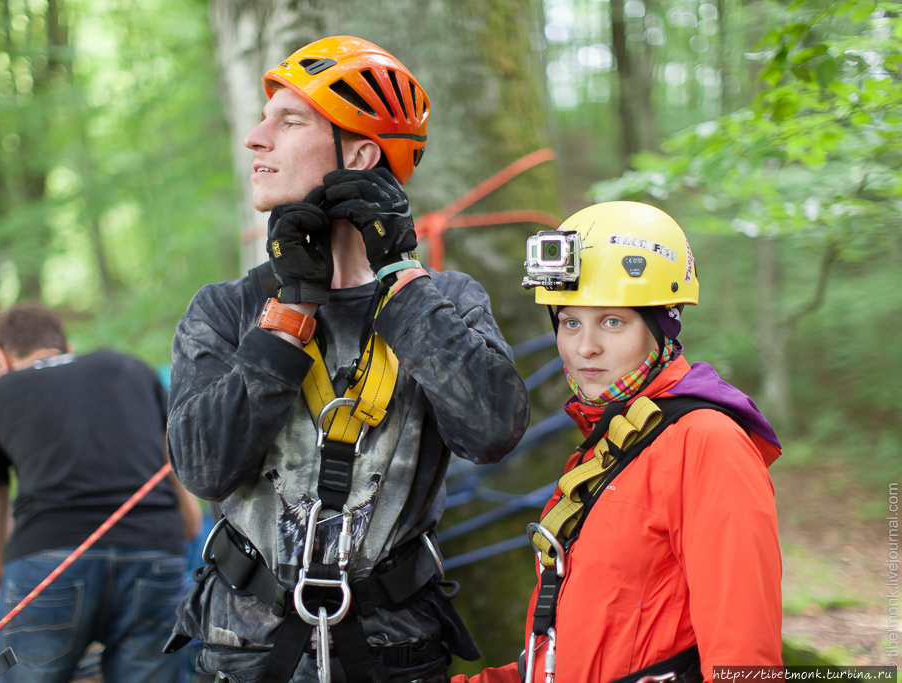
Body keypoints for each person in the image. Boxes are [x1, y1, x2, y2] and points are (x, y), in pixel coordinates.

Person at [165, 36, 530, 683]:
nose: (256, 138)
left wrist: (398, 276)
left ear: (362, 153)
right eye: (264, 117)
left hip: (396, 652)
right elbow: (202, 464)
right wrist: (288, 316)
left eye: (290, 121)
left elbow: (493, 429)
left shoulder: (445, 300)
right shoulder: (227, 308)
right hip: (246, 653)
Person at [452, 202, 783, 683]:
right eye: (570, 322)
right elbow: (574, 655)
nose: (585, 347)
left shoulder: (706, 443)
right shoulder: (613, 444)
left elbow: (744, 658)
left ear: (661, 326)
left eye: (612, 321)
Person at [0, 300, 203, 683]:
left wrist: (11, 594)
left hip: (48, 564)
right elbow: (182, 498)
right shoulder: (132, 369)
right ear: (67, 347)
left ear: (0, 357)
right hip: (156, 553)